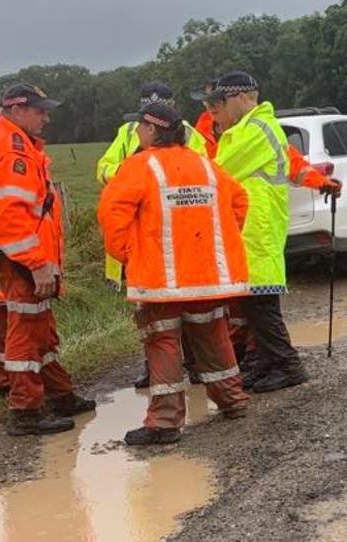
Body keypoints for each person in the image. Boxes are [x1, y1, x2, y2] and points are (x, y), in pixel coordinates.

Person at [97, 102, 253, 445]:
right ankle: (233, 400)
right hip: (207, 277)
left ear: (152, 130)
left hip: (161, 280)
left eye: (139, 126)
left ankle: (165, 423)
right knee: (214, 337)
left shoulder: (139, 166)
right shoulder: (205, 165)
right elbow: (239, 202)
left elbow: (112, 214)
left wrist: (128, 255)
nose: (137, 132)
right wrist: (218, 244)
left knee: (163, 341)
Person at [0, 83, 96, 435]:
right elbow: (13, 214)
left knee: (39, 328)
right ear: (16, 110)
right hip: (17, 255)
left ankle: (59, 393)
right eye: (40, 111)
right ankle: (25, 410)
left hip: (5, 252)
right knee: (25, 331)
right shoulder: (11, 148)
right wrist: (36, 262)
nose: (46, 118)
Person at [194, 72, 340, 393]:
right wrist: (319, 180)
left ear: (243, 97)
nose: (218, 107)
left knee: (261, 304)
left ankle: (288, 365)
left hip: (256, 225)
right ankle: (266, 363)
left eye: (223, 100)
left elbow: (220, 169)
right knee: (252, 303)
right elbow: (294, 166)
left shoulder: (255, 130)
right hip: (252, 223)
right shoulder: (252, 127)